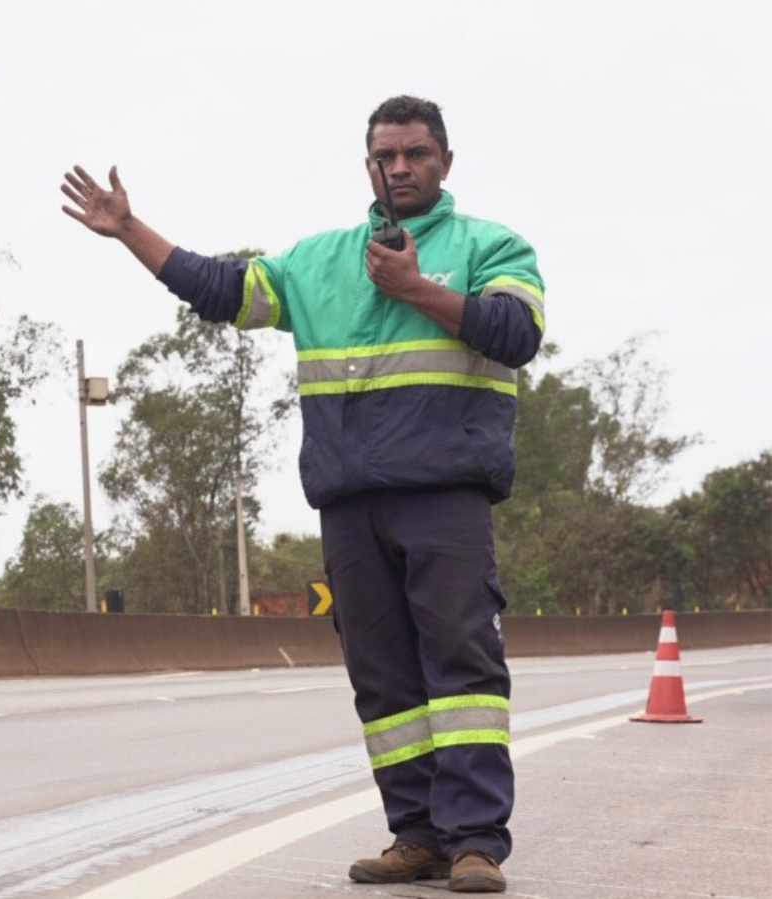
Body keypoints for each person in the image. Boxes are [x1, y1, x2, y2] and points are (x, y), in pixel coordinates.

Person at [59, 95, 542, 894]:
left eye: (415, 154)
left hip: (444, 497)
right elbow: (220, 289)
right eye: (385, 156)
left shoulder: (491, 244)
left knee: (460, 665)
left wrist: (416, 286)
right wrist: (129, 231)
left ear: (445, 162)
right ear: (367, 167)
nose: (399, 169)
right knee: (382, 680)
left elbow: (515, 334)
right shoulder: (318, 260)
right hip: (349, 502)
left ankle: (475, 841)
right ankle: (416, 833)